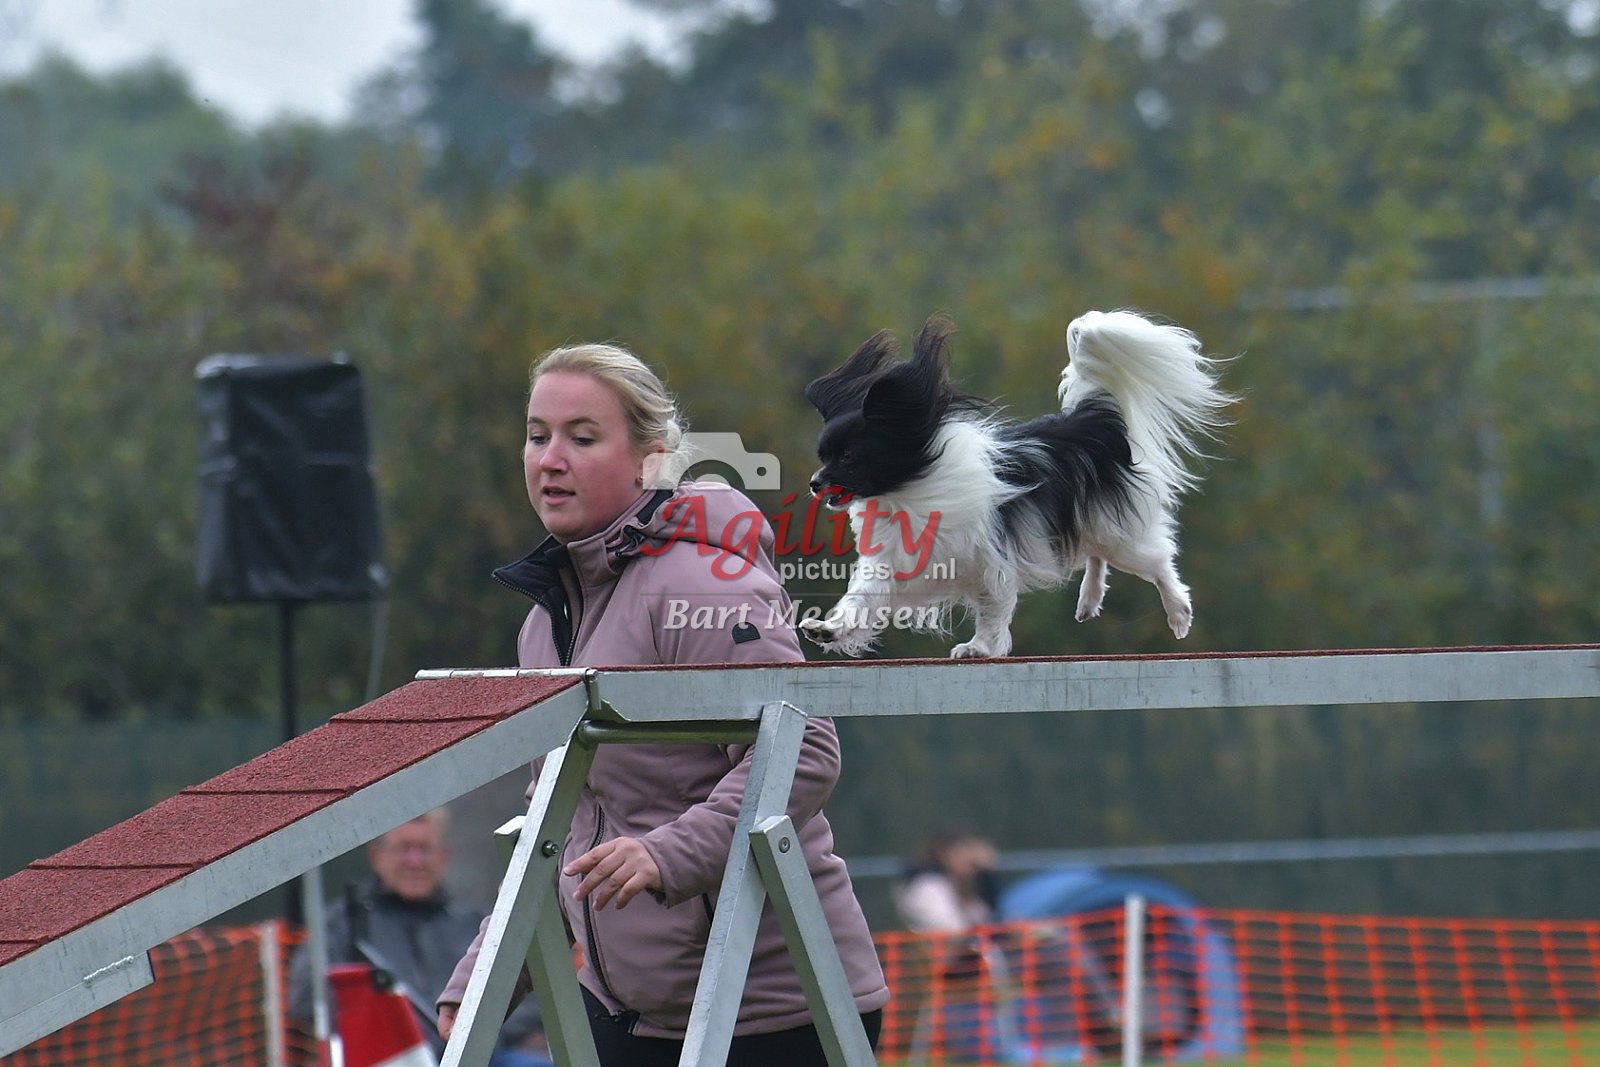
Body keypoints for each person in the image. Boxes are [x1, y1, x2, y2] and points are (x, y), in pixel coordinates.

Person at [437, 342, 890, 1065]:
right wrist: (483, 978)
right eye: (537, 435)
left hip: (777, 1009)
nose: (551, 459)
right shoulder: (544, 624)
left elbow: (804, 749)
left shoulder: (700, 583)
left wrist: (665, 852)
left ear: (650, 460)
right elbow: (557, 824)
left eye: (583, 438)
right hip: (634, 1009)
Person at [288, 810, 548, 1067]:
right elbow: (307, 998)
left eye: (425, 849)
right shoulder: (345, 924)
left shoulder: (474, 923)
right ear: (376, 857)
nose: (415, 861)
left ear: (444, 856)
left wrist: (480, 1035)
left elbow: (530, 997)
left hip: (483, 1056)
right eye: (403, 849)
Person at [895, 828, 1001, 934]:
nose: (969, 860)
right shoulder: (927, 887)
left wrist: (987, 874)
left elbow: (990, 917)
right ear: (944, 854)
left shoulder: (967, 886)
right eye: (961, 852)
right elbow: (952, 930)